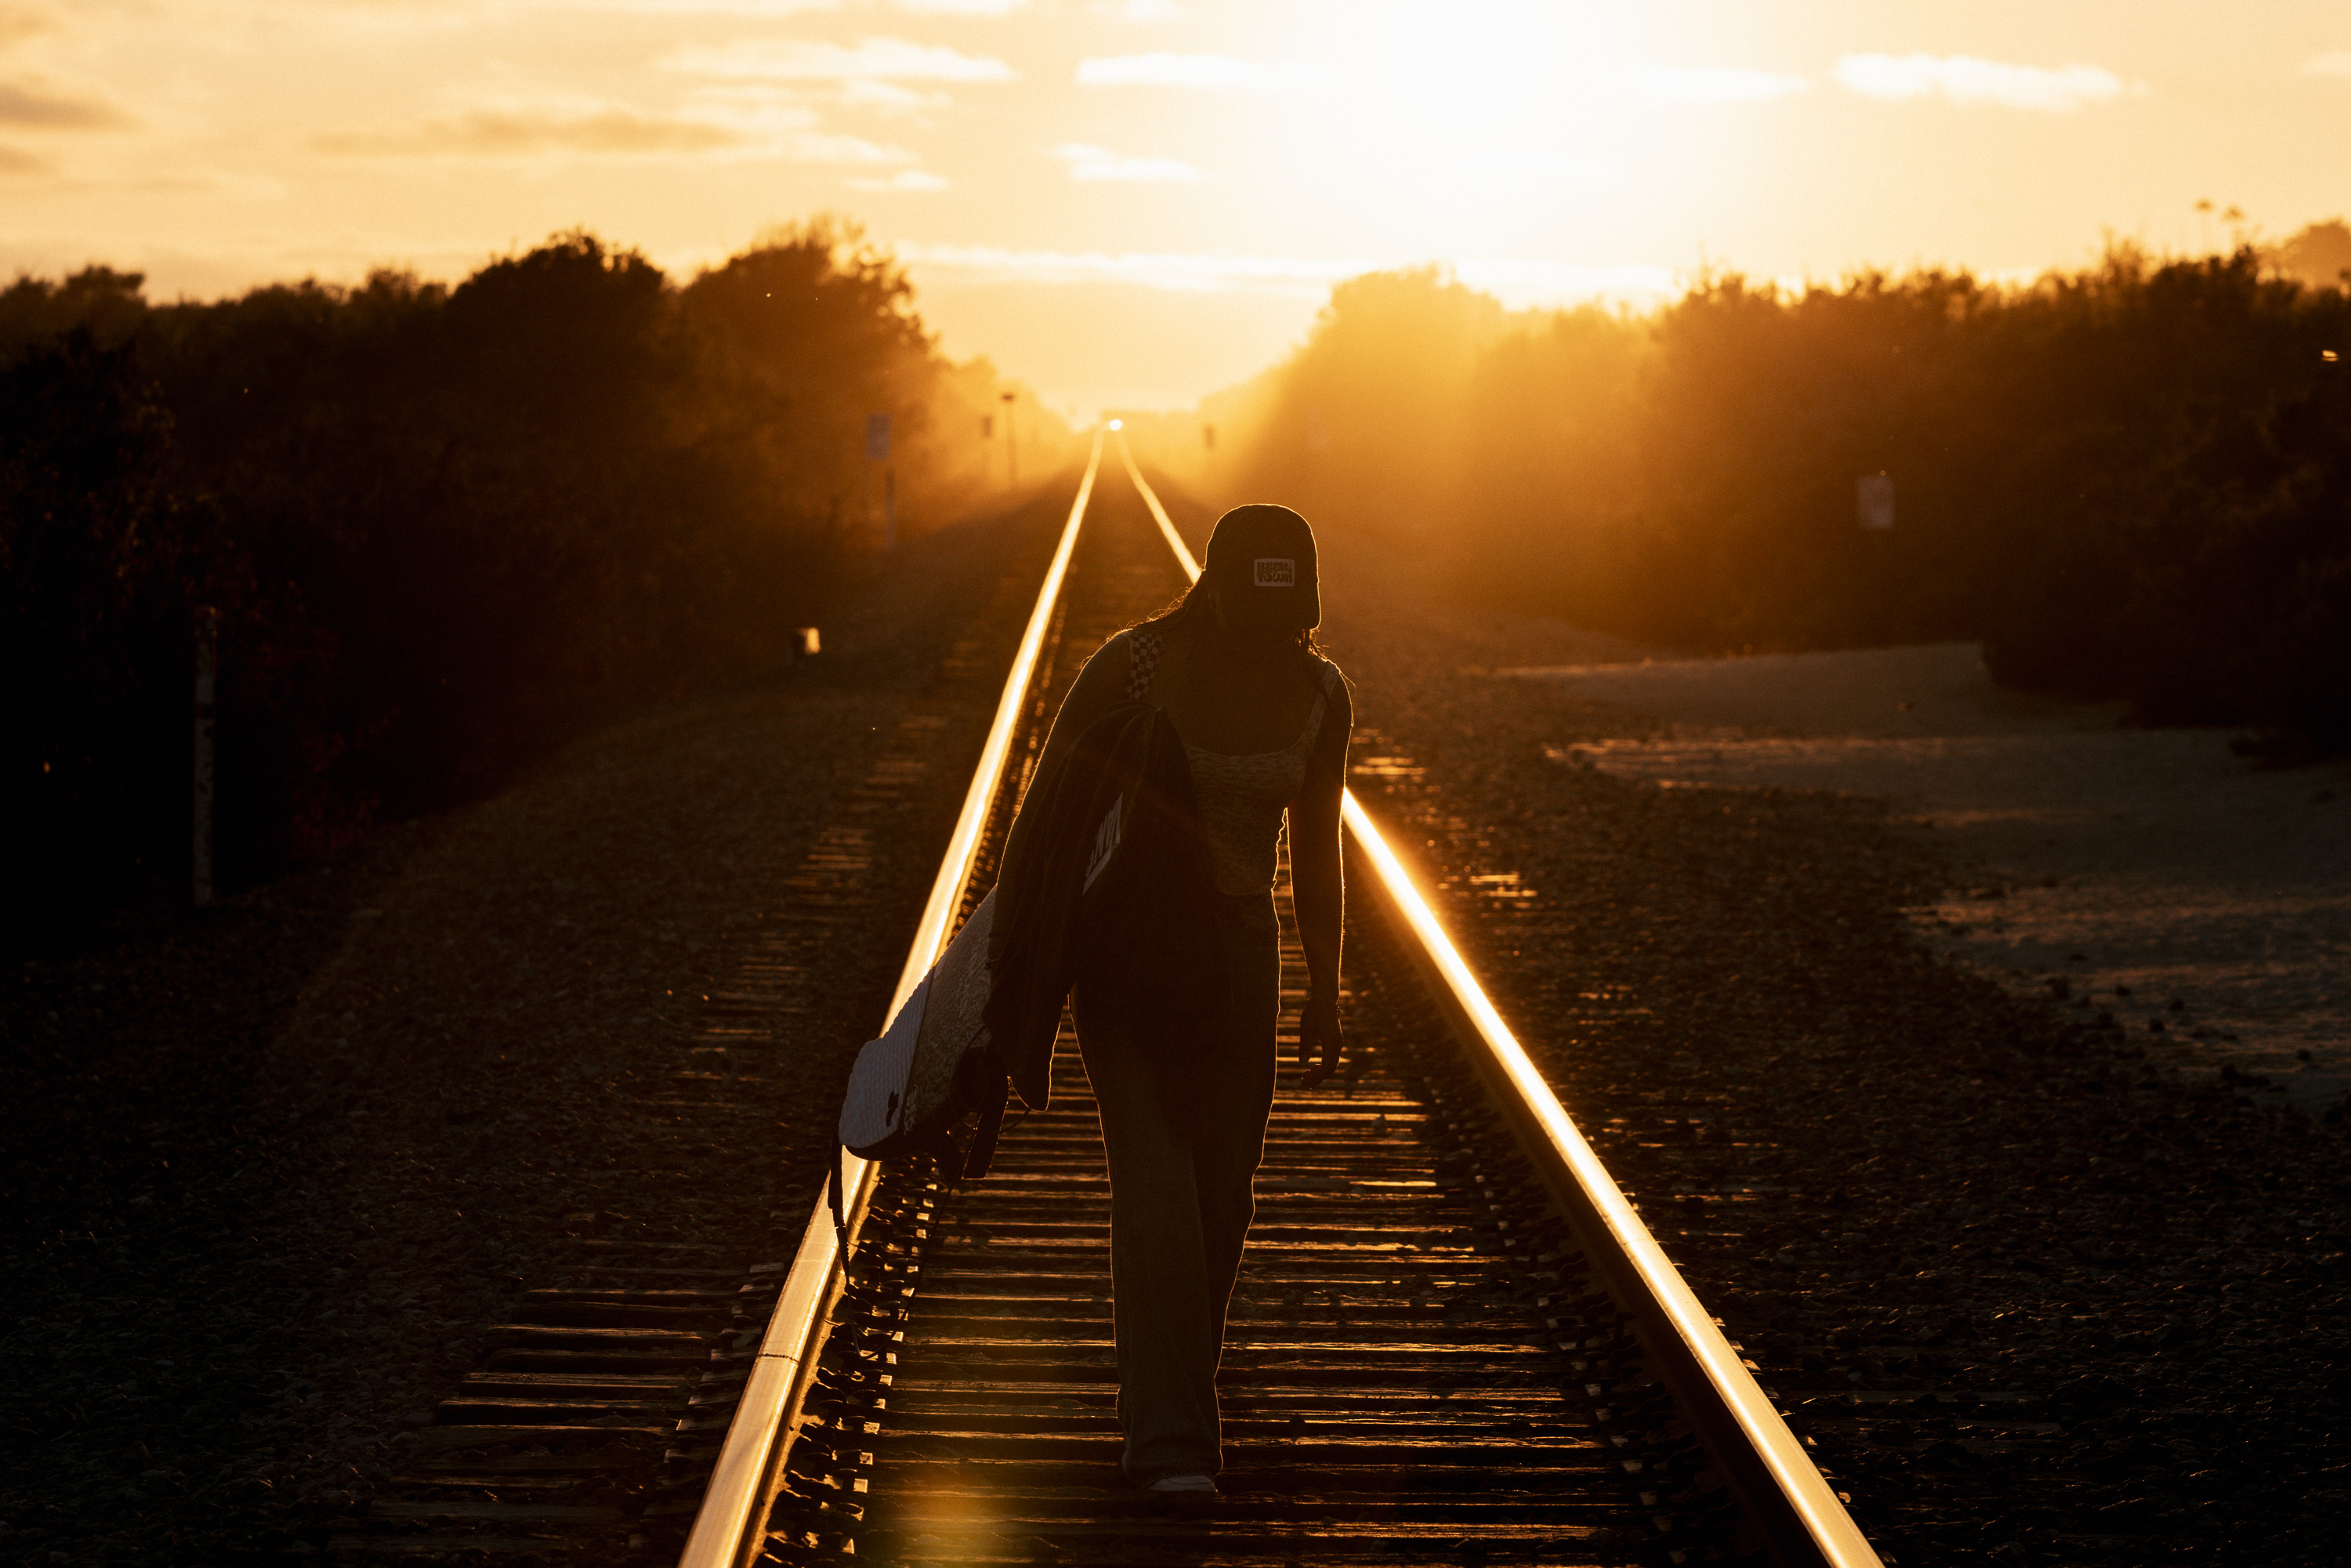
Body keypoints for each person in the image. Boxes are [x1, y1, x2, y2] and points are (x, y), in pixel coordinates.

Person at [994, 502, 1352, 1496]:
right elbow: (1049, 811)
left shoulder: (1322, 691)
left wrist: (1326, 985)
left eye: (1287, 604)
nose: (1267, 624)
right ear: (1218, 585)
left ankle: (1171, 1394)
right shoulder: (1135, 666)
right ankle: (1173, 1443)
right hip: (1130, 957)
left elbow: (1318, 851)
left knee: (1221, 1195)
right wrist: (1011, 964)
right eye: (1253, 598)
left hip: (1244, 954)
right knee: (1156, 1186)